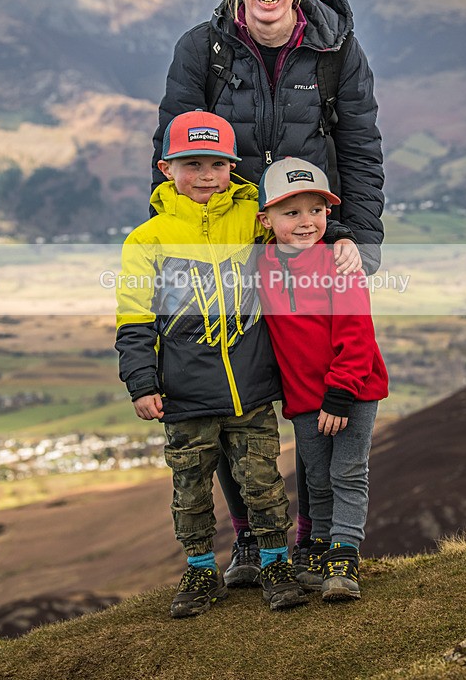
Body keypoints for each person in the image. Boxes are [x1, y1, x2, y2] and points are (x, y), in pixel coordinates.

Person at [150, 0, 384, 585]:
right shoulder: (202, 49)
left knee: (318, 389)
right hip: (225, 247)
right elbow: (171, 148)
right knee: (233, 396)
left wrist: (360, 243)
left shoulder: (339, 49)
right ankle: (252, 539)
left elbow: (360, 149)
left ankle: (313, 539)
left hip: (310, 241)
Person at [116, 110, 308, 616]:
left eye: (218, 164)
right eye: (192, 163)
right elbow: (134, 320)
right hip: (184, 394)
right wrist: (141, 383)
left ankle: (275, 564)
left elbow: (299, 238)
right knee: (190, 489)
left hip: (250, 388)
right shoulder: (145, 241)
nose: (206, 175)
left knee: (264, 482)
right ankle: (200, 571)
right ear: (166, 168)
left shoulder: (251, 220)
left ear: (232, 166)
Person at [255, 156, 389, 600]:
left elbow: (356, 334)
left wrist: (340, 394)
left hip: (352, 390)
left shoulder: (340, 265)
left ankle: (344, 553)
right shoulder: (261, 266)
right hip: (303, 398)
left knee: (347, 471)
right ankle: (320, 547)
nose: (306, 221)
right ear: (266, 219)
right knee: (316, 477)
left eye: (316, 210)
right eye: (291, 212)